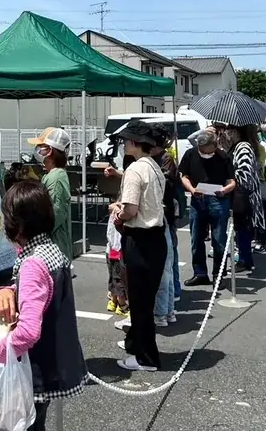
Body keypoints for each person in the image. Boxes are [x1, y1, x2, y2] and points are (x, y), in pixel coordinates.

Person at [0, 180, 86, 430]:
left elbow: (29, 332)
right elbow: (41, 292)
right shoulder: (50, 250)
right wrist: (8, 289)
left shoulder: (31, 264)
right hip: (56, 363)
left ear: (15, 225)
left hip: (34, 372)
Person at [106, 121, 166, 372]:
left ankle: (146, 357)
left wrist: (117, 211)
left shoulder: (133, 170)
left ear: (133, 143)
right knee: (145, 298)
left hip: (140, 239)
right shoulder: (154, 166)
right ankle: (135, 342)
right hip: (156, 239)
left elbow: (130, 209)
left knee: (139, 301)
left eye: (125, 141)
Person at [179, 128, 236, 286]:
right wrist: (191, 189)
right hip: (198, 200)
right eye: (201, 149)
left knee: (219, 239)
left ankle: (219, 274)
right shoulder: (191, 154)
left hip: (219, 200)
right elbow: (183, 176)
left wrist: (224, 190)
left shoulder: (223, 157)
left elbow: (232, 182)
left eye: (207, 150)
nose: (203, 152)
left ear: (215, 145)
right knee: (196, 238)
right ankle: (200, 273)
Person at [220, 125, 264, 273]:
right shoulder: (238, 146)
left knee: (243, 228)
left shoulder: (243, 147)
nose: (226, 133)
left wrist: (230, 179)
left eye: (229, 130)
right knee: (241, 228)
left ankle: (245, 260)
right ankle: (246, 259)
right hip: (241, 194)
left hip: (244, 194)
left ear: (236, 132)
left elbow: (244, 174)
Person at [27, 128, 74, 262]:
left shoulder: (56, 177)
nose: (37, 150)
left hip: (54, 251)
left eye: (40, 147)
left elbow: (54, 214)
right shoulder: (52, 175)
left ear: (49, 151)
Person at [150, 126, 179, 326]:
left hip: (165, 213)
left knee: (167, 261)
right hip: (161, 212)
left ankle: (167, 306)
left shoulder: (166, 158)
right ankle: (167, 308)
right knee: (166, 263)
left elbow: (167, 182)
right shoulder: (152, 160)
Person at [105, 217, 127, 315]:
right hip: (118, 252)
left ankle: (113, 302)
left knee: (113, 278)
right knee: (119, 280)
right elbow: (117, 237)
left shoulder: (113, 215)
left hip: (110, 250)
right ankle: (122, 305)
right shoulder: (120, 217)